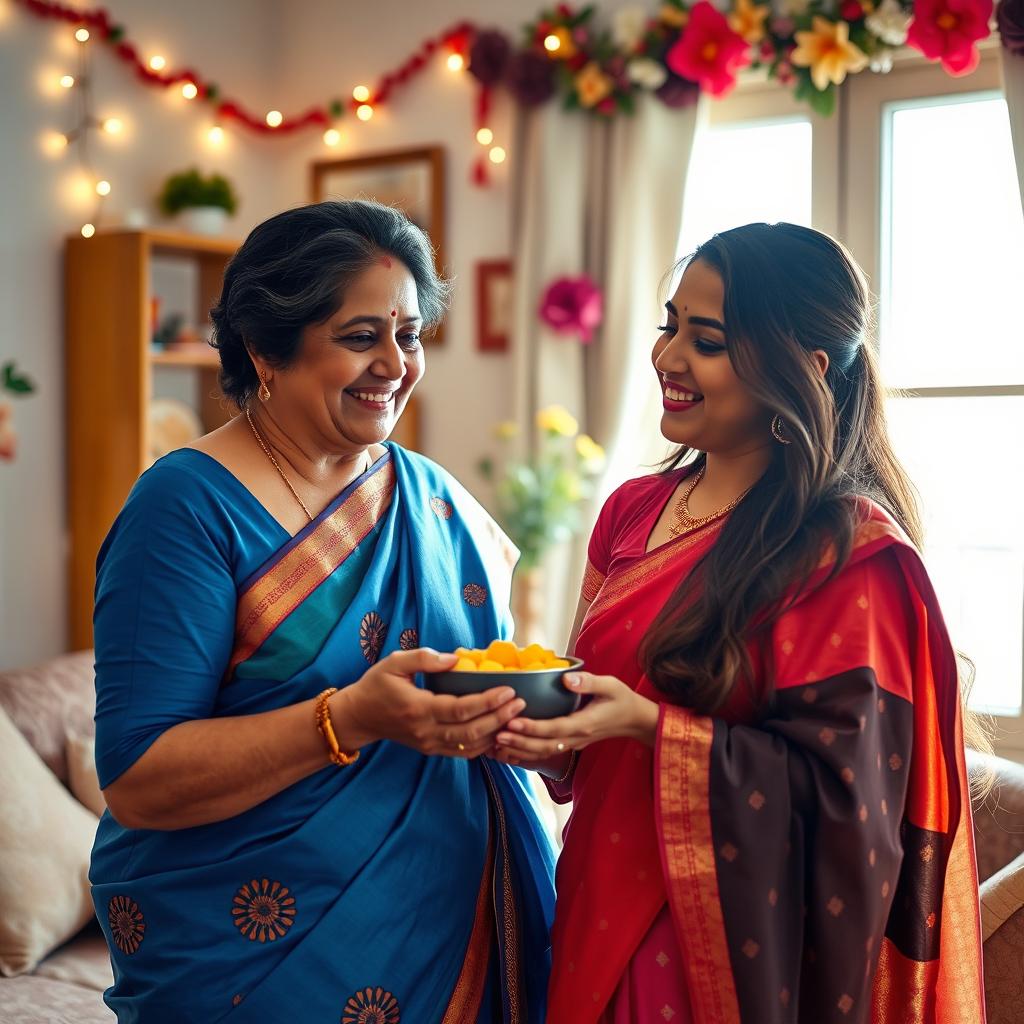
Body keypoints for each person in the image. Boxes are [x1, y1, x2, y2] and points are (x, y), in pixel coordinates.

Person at [493, 223, 985, 1023]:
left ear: (806, 369)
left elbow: (857, 806)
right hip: (589, 897)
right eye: (670, 325)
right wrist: (548, 732)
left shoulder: (847, 553)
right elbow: (591, 731)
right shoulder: (630, 514)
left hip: (718, 953)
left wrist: (657, 730)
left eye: (709, 340)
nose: (667, 358)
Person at [89, 199, 555, 1023]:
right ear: (267, 347)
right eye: (359, 336)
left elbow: (493, 678)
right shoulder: (186, 506)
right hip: (254, 955)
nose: (395, 364)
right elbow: (139, 781)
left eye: (409, 336)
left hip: (447, 925)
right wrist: (348, 719)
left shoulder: (433, 501)